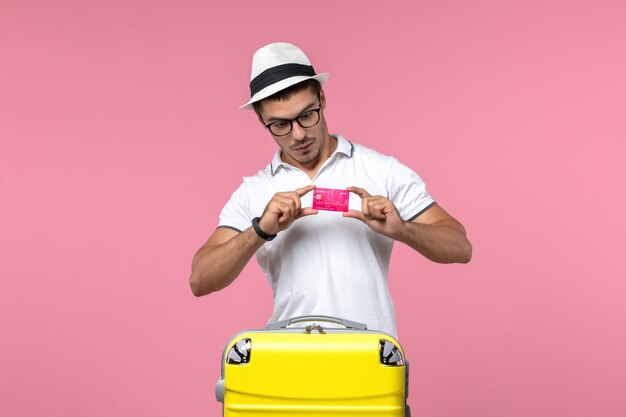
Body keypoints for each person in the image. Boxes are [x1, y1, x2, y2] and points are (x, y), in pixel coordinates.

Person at [189, 42, 472, 337]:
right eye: (280, 125)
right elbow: (200, 279)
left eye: (306, 115)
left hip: (369, 360)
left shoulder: (380, 170)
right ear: (261, 120)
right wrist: (259, 231)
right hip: (292, 362)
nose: (298, 134)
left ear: (322, 98)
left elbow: (460, 246)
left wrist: (403, 230)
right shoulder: (254, 191)